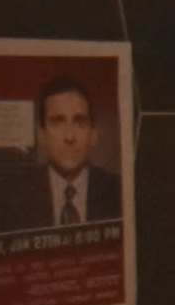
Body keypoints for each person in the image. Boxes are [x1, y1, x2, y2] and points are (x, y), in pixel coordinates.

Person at [30, 74, 122, 226]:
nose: (70, 136)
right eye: (57, 122)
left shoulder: (118, 192)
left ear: (93, 135)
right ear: (41, 136)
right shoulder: (12, 196)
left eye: (80, 122)